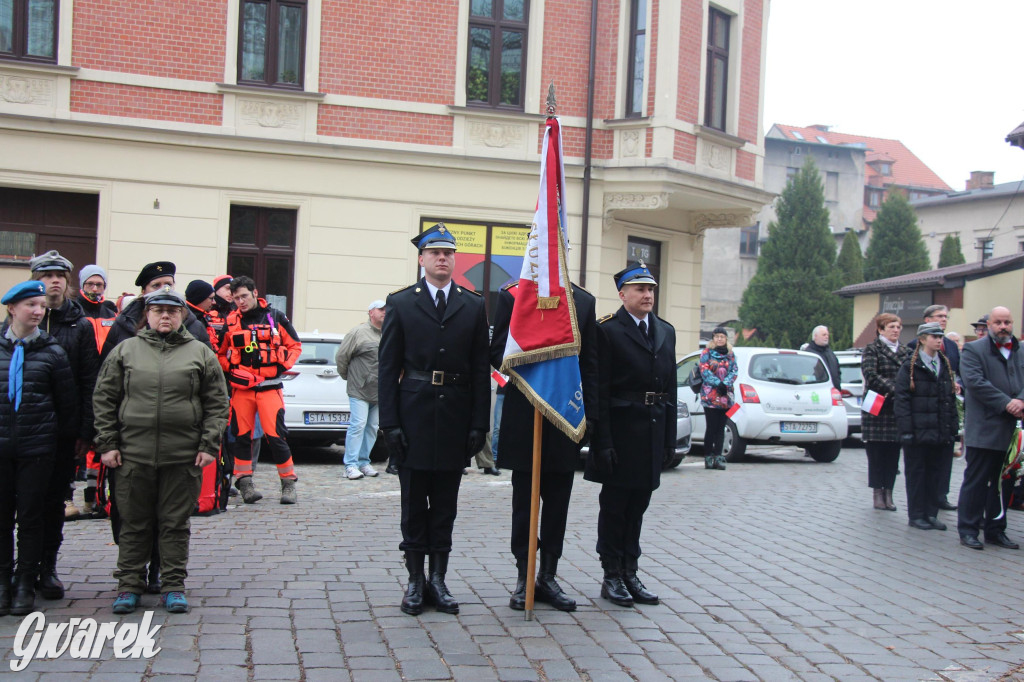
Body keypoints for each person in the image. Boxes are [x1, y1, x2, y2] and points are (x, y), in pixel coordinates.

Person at [93, 288, 228, 613]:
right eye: (158, 310)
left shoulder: (200, 353)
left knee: (174, 524)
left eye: (172, 310)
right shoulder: (126, 350)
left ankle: (172, 585)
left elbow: (217, 402)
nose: (165, 315)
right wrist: (107, 444)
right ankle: (129, 585)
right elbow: (104, 398)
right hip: (132, 455)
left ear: (182, 314)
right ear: (147, 315)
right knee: (133, 522)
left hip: (182, 456)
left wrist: (209, 444)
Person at [378, 223, 489, 616]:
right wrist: (389, 424)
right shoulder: (402, 302)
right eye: (435, 252)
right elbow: (388, 368)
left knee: (445, 504)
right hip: (413, 415)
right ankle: (414, 580)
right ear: (422, 259)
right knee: (412, 504)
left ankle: (438, 579)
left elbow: (480, 369)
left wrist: (480, 424)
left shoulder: (473, 304)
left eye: (448, 253)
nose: (442, 258)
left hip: (456, 416)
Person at [489, 279, 598, 612]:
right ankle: (525, 575)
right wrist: (537, 363)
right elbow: (496, 351)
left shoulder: (582, 300)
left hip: (565, 411)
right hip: (526, 411)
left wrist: (589, 416)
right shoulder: (513, 296)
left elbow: (591, 362)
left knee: (557, 502)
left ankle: (548, 575)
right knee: (524, 504)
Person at [585, 261, 676, 607]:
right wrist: (602, 441)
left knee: (639, 504)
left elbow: (672, 388)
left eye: (651, 289)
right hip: (620, 432)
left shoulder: (665, 330)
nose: (647, 294)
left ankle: (630, 570)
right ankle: (611, 574)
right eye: (639, 289)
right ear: (622, 294)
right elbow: (599, 388)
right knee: (615, 506)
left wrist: (669, 439)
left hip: (652, 431)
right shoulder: (607, 330)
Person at [0, 281, 76, 616]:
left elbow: (67, 406)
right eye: (30, 304)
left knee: (31, 517)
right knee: (2, 517)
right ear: (11, 309)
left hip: (37, 450)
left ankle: (24, 581)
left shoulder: (52, 351)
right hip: (2, 448)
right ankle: (2, 580)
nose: (37, 311)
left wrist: (63, 448)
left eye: (41, 305)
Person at [27, 250, 99, 602]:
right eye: (47, 275)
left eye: (60, 275)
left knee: (54, 501)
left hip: (62, 430)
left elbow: (90, 381)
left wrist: (86, 432)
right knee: (21, 502)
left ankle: (47, 567)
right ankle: (19, 569)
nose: (54, 281)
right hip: (24, 428)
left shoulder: (80, 325)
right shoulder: (25, 320)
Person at [219, 276, 302, 504]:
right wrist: (231, 370)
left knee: (276, 437)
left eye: (244, 296)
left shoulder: (275, 317)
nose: (240, 302)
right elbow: (219, 353)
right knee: (242, 437)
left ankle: (288, 484)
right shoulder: (231, 321)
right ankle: (245, 484)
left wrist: (280, 366)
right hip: (242, 391)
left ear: (255, 293)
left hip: (269, 388)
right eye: (236, 298)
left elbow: (294, 345)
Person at [957, 306, 1024, 551]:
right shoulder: (974, 350)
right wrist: (1008, 403)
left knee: (1004, 482)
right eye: (998, 322)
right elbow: (975, 383)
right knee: (977, 481)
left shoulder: (1020, 349)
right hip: (984, 428)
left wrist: (1021, 401)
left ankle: (996, 530)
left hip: (1011, 430)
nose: (1003, 326)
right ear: (989, 325)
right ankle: (968, 530)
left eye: (1007, 322)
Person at [894, 323, 959, 531]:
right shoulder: (910, 366)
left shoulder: (944, 364)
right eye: (934, 336)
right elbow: (902, 400)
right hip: (917, 430)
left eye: (940, 336)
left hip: (939, 430)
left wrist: (952, 427)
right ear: (922, 339)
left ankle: (931, 513)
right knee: (917, 474)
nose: (939, 340)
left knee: (935, 473)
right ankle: (916, 515)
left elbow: (950, 399)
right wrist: (906, 430)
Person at [906, 304, 961, 511]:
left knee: (944, 460)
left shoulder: (952, 346)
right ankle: (922, 507)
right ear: (926, 320)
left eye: (946, 316)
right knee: (923, 465)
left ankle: (941, 495)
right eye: (939, 316)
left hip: (945, 410)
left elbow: (959, 371)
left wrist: (957, 384)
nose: (944, 319)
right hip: (925, 413)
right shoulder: (913, 346)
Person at [101, 261, 213, 361]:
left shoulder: (194, 326)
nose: (163, 290)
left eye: (168, 284)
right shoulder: (124, 323)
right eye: (156, 286)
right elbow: (108, 367)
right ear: (144, 291)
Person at [861, 313, 909, 512]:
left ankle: (888, 492)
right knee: (877, 454)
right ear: (881, 329)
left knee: (892, 454)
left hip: (897, 409)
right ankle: (877, 493)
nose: (896, 330)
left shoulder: (906, 351)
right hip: (877, 407)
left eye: (898, 327)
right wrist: (895, 388)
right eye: (891, 327)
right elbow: (871, 375)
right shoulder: (872, 349)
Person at [335, 299, 385, 480]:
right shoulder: (358, 332)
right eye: (381, 309)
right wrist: (348, 377)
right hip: (359, 389)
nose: (384, 312)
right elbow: (342, 356)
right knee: (358, 425)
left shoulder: (389, 332)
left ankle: (364, 461)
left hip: (379, 391)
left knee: (372, 427)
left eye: (387, 309)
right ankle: (350, 464)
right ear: (371, 312)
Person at [699, 327, 738, 470]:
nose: (720, 339)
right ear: (713, 338)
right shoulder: (706, 353)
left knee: (721, 428)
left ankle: (718, 456)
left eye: (722, 336)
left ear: (726, 338)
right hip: (710, 395)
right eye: (717, 336)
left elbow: (734, 371)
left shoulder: (730, 354)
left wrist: (725, 384)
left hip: (725, 396)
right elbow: (704, 370)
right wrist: (717, 383)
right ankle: (708, 456)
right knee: (711, 427)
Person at [800, 325, 841, 390]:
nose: (827, 337)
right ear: (815, 336)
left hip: (833, 391)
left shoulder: (830, 353)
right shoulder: (808, 354)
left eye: (827, 335)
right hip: (815, 391)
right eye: (824, 335)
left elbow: (837, 371)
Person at [185, 280, 219, 345]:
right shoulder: (189, 321)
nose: (214, 302)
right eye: (211, 298)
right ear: (199, 298)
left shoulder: (201, 317)